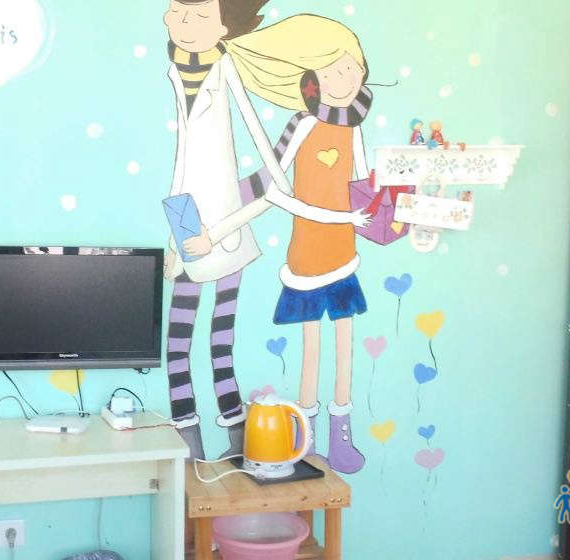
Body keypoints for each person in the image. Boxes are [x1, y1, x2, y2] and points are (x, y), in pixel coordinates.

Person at [202, 15, 376, 473]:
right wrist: (336, 216)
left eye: (353, 68)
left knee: (345, 344)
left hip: (344, 251)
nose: (347, 78)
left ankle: (342, 434)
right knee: (312, 347)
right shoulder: (302, 124)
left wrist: (386, 208)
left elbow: (362, 184)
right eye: (335, 70)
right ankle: (308, 436)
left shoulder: (354, 126)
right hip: (309, 254)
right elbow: (276, 192)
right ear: (314, 77)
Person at [160, 0, 312, 460]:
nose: (183, 23)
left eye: (198, 16)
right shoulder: (178, 72)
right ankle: (187, 451)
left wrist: (220, 231)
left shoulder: (226, 72)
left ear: (224, 28)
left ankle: (237, 442)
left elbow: (275, 183)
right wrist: (175, 238)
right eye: (177, 12)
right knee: (176, 346)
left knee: (219, 342)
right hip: (187, 223)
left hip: (225, 230)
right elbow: (183, 165)